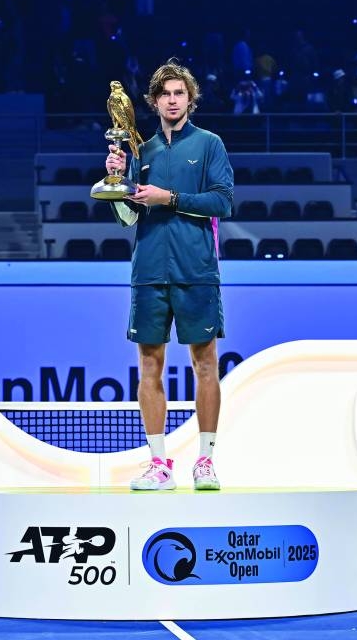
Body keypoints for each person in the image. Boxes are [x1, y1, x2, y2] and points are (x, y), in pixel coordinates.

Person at [105, 59, 234, 492]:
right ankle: (159, 464)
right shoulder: (141, 150)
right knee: (149, 364)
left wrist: (169, 197)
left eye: (180, 93)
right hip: (149, 271)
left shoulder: (210, 144)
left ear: (190, 99)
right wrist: (117, 180)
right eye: (166, 94)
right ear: (155, 101)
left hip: (196, 270)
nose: (173, 100)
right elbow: (125, 217)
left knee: (205, 363)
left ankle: (206, 461)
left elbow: (222, 203)